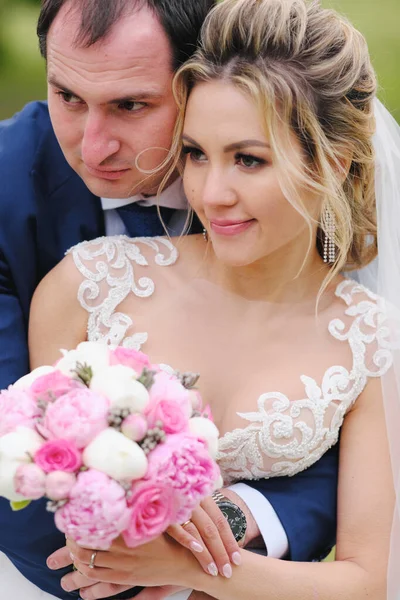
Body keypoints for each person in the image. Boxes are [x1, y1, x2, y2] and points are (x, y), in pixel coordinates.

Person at [27, 0, 400, 599]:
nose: (210, 192)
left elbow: (366, 579)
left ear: (333, 161)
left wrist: (189, 569)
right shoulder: (88, 286)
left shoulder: (373, 342)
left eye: (248, 159)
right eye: (196, 154)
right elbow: (42, 484)